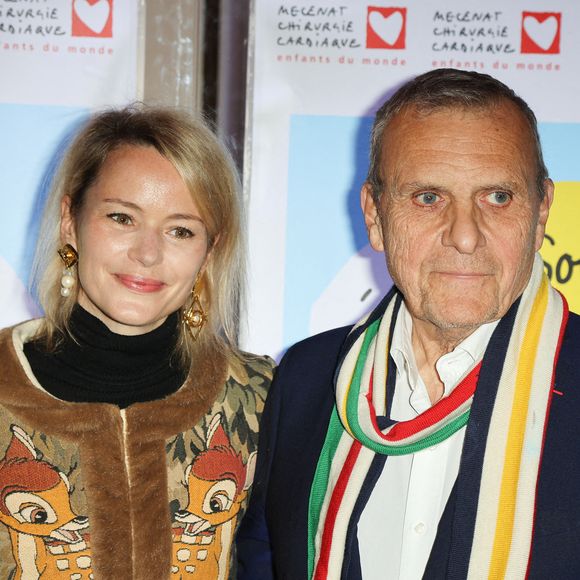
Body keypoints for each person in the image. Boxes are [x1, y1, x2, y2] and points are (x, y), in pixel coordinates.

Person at [237, 68, 580, 579]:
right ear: (375, 215)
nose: (465, 236)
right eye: (428, 198)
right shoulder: (308, 380)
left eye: (498, 197)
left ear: (540, 211)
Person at [0, 105, 273, 578]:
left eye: (180, 230)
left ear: (209, 251)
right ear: (71, 221)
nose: (148, 253)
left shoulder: (261, 399)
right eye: (123, 218)